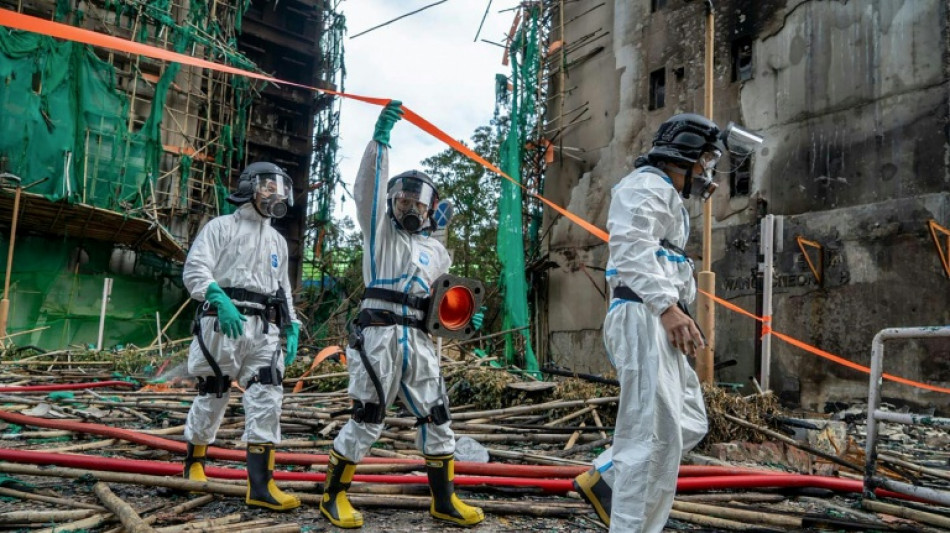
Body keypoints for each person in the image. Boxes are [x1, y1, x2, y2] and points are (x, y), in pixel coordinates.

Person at [573, 113, 760, 532]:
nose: (708, 172)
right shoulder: (645, 186)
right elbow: (631, 246)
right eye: (706, 161)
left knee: (687, 420)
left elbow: (657, 257)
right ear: (685, 156)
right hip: (644, 313)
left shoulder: (666, 197)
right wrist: (668, 308)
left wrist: (676, 308)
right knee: (649, 441)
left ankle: (606, 479)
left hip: (657, 315)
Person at [318, 101, 485, 529]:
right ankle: (333, 497)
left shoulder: (436, 251)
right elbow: (368, 193)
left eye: (420, 201)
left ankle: (443, 500)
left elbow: (442, 301)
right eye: (404, 198)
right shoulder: (381, 235)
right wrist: (379, 143)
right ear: (392, 202)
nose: (412, 205)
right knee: (369, 416)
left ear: (431, 208)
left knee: (437, 415)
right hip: (379, 335)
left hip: (421, 341)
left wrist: (462, 318)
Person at [181, 161, 301, 511]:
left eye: (279, 188)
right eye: (268, 186)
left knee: (268, 396)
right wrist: (216, 297)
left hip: (263, 327)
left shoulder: (277, 240)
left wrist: (290, 325)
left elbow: (284, 290)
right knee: (213, 395)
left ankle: (260, 485)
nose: (274, 194)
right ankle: (195, 462)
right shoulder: (221, 227)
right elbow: (196, 269)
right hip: (223, 323)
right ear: (250, 187)